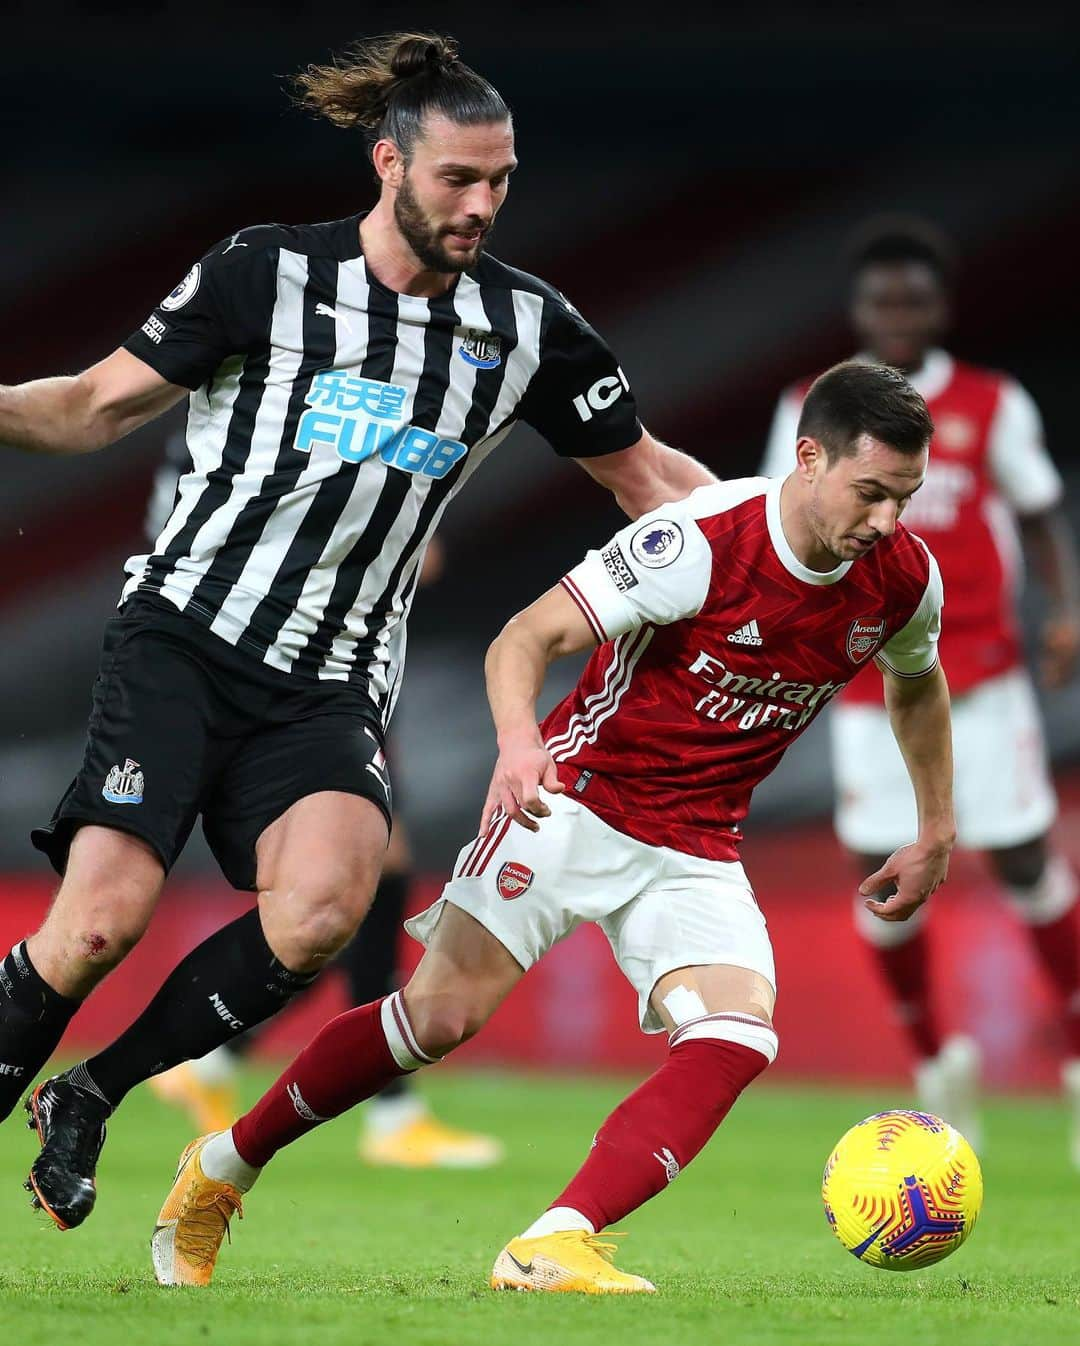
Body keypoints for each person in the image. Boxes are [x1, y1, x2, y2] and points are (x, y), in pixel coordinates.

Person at [0, 31, 715, 1231]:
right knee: (96, 924)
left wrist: (780, 538)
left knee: (326, 907)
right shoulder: (264, 273)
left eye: (502, 180)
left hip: (332, 678)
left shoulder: (528, 329)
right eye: (458, 179)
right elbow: (86, 409)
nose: (483, 204)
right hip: (185, 633)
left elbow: (643, 477)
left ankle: (94, 1094)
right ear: (389, 162)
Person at [151, 360, 954, 1293]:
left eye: (906, 496)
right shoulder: (700, 541)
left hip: (697, 844)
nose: (888, 520)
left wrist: (935, 826)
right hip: (572, 802)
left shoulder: (902, 579)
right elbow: (522, 637)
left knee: (739, 1037)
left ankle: (554, 1242)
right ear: (809, 460)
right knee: (436, 1018)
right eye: (871, 493)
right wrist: (518, 744)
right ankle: (223, 1167)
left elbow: (918, 679)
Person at [761, 217, 1080, 1153]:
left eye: (915, 298)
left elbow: (1039, 509)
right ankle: (938, 1069)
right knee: (887, 882)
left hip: (980, 675)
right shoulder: (812, 405)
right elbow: (778, 514)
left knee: (1024, 859)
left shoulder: (991, 401)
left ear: (940, 306)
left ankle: (1075, 1061)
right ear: (858, 309)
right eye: (882, 299)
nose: (899, 314)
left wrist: (1063, 610)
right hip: (867, 681)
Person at [144, 429, 501, 1165]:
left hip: (270, 662)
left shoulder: (216, 421)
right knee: (355, 879)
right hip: (298, 667)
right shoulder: (277, 414)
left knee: (357, 885)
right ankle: (387, 1111)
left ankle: (216, 1059)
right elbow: (409, 552)